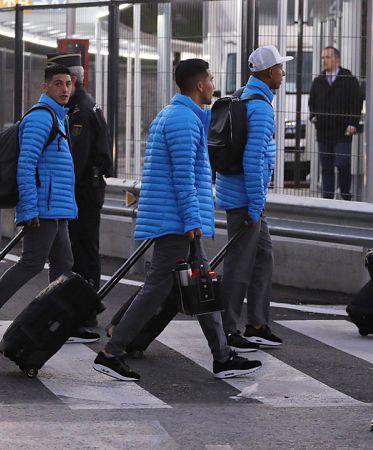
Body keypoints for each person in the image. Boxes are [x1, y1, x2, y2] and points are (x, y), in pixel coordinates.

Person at [93, 59, 261, 381]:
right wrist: (192, 221)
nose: (213, 83)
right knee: (158, 290)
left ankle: (222, 356)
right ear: (199, 85)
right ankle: (110, 353)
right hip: (177, 222)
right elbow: (183, 177)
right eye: (210, 78)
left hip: (176, 219)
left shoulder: (177, 115)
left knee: (202, 285)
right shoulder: (184, 120)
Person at [0, 65, 77, 346]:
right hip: (43, 207)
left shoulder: (58, 117)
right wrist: (29, 209)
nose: (64, 89)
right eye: (58, 83)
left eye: (68, 84)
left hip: (56, 208)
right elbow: (26, 164)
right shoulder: (41, 118)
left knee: (63, 267)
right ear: (44, 87)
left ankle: (56, 322)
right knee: (32, 263)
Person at [216, 45, 290, 350]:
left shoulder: (242, 94)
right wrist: (256, 206)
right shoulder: (259, 107)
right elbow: (253, 159)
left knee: (262, 257)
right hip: (246, 200)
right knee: (239, 264)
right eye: (280, 69)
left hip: (240, 194)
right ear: (268, 71)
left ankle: (257, 323)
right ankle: (229, 329)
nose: (283, 74)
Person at [46, 53, 113, 341]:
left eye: (63, 81)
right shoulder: (83, 105)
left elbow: (77, 158)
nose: (60, 87)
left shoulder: (80, 111)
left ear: (72, 81)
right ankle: (83, 306)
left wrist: (62, 192)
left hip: (84, 190)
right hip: (88, 188)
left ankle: (85, 310)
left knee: (82, 251)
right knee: (83, 249)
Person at [308, 46, 362, 200]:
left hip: (343, 131)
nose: (324, 60)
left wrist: (353, 124)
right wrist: (314, 117)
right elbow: (312, 103)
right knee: (326, 167)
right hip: (324, 131)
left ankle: (345, 196)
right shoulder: (318, 81)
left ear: (337, 59)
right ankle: (328, 199)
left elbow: (356, 103)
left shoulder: (349, 79)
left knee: (343, 163)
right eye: (323, 57)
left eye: (328, 57)